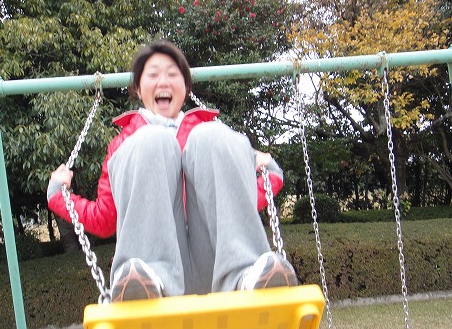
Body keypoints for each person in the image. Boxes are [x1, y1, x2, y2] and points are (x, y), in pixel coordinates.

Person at [47, 40, 298, 302]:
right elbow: (106, 218)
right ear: (138, 88)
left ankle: (245, 273)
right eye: (153, 74)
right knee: (151, 140)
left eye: (172, 74)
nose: (163, 82)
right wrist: (59, 197)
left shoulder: (207, 135)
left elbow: (230, 204)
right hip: (153, 280)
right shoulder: (126, 145)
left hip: (214, 268)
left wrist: (269, 175)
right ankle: (148, 277)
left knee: (212, 135)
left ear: (186, 88)